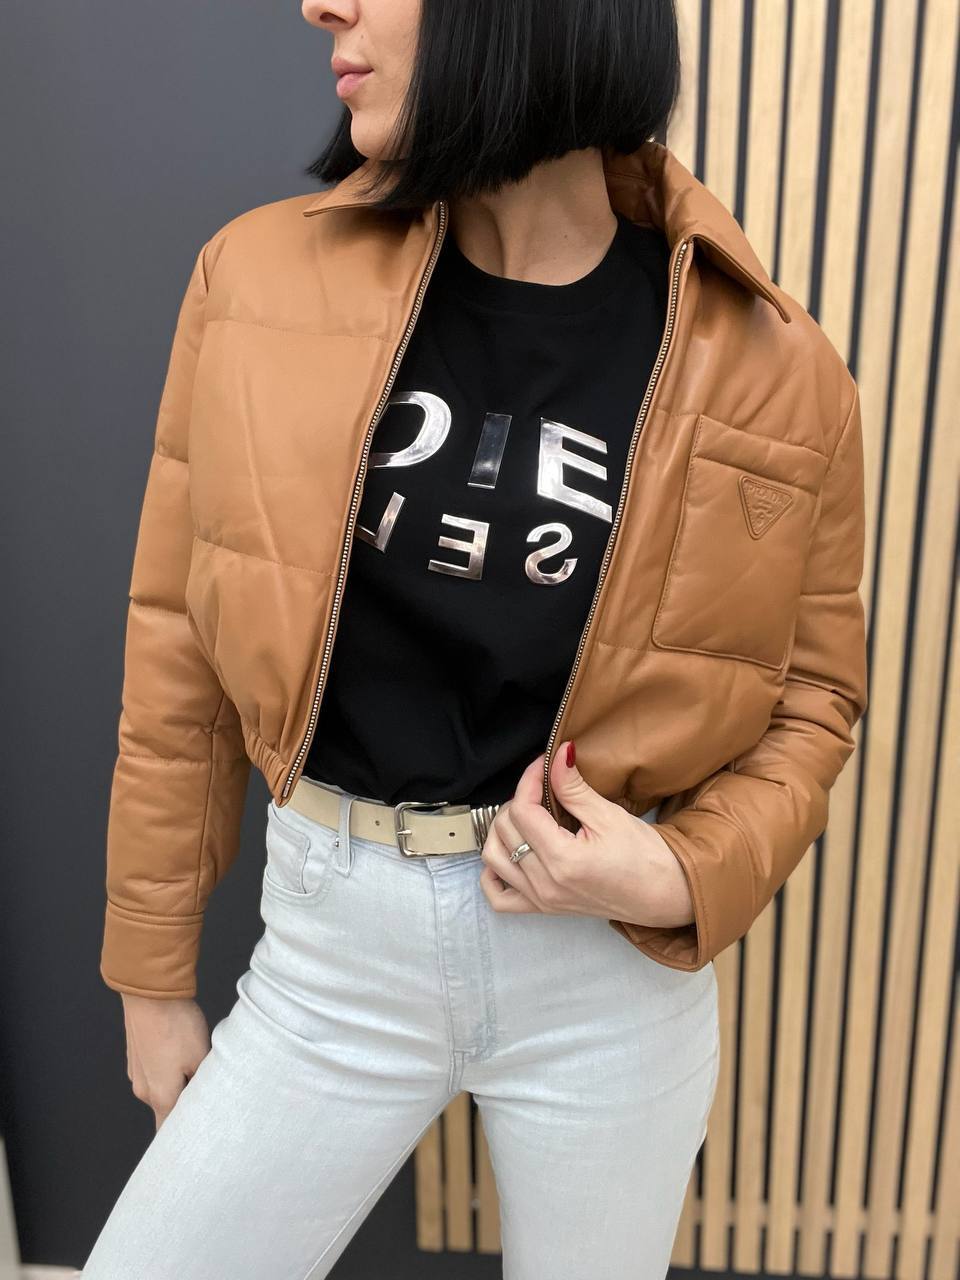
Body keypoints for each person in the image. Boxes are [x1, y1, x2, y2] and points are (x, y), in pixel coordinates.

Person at [81, 0, 868, 1277]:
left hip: (606, 978)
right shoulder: (256, 279)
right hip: (331, 950)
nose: (321, 4)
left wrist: (682, 875)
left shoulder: (778, 369)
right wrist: (151, 976)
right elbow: (178, 641)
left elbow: (815, 698)